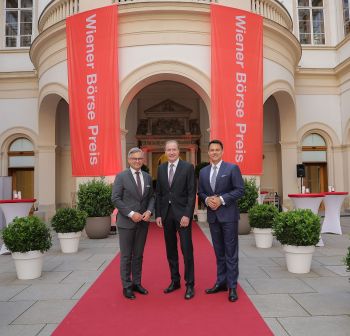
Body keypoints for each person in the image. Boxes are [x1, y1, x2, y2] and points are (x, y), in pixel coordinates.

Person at [198, 139, 244, 302]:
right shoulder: (203, 172)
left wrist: (222, 199)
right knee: (219, 252)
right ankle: (221, 282)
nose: (214, 152)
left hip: (229, 216)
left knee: (231, 252)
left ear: (222, 151)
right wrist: (207, 199)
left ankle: (232, 287)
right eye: (212, 150)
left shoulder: (231, 168)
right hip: (213, 217)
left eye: (217, 150)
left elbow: (240, 190)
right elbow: (201, 192)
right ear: (208, 152)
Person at [112, 147, 155, 300]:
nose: (137, 161)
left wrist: (149, 212)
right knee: (126, 256)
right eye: (134, 159)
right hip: (126, 223)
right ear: (129, 160)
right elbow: (116, 198)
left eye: (139, 159)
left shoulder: (147, 177)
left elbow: (151, 197)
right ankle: (127, 286)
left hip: (143, 223)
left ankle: (137, 283)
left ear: (143, 160)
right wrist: (131, 214)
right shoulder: (121, 177)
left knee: (138, 255)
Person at [155, 140, 196, 300]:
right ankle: (175, 280)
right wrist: (158, 214)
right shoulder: (161, 168)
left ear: (179, 151)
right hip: (166, 215)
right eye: (168, 150)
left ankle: (190, 284)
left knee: (187, 250)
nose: (171, 152)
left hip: (182, 215)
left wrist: (188, 214)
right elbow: (159, 193)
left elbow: (192, 193)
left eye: (174, 149)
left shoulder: (188, 168)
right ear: (165, 152)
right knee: (170, 250)